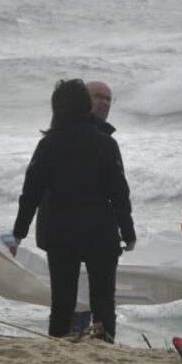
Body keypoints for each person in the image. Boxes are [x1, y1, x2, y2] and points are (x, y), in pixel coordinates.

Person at [8, 79, 136, 342]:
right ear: (86, 106)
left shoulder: (48, 145)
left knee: (62, 301)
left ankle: (57, 345)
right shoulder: (105, 144)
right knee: (103, 301)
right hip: (99, 232)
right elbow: (119, 193)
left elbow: (30, 193)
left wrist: (18, 233)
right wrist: (128, 232)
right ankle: (105, 345)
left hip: (60, 235)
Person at [70, 80, 118, 333]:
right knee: (69, 295)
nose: (104, 103)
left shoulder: (106, 138)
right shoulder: (64, 134)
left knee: (102, 298)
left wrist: (126, 230)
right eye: (99, 97)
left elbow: (118, 189)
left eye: (109, 99)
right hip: (70, 228)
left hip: (98, 230)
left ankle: (100, 339)